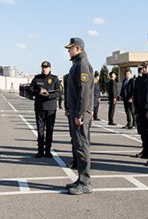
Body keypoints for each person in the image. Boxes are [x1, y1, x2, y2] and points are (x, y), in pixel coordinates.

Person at [64, 37, 94, 195]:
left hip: (80, 113)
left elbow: (84, 93)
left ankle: (85, 182)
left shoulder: (82, 64)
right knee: (78, 145)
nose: (68, 50)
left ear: (79, 48)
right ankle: (81, 178)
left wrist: (80, 113)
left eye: (71, 48)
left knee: (82, 146)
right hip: (75, 111)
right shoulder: (76, 64)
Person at [28, 61, 60, 158]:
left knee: (49, 130)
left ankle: (48, 151)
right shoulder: (37, 78)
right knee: (40, 130)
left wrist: (48, 95)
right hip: (40, 108)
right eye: (43, 67)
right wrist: (38, 92)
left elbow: (58, 92)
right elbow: (30, 90)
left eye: (46, 67)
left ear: (50, 68)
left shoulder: (54, 79)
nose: (44, 69)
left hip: (50, 108)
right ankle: (40, 151)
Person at [133, 62, 148, 159]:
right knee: (142, 130)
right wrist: (136, 108)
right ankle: (145, 149)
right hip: (140, 108)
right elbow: (135, 94)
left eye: (146, 67)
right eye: (143, 67)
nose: (144, 69)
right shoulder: (139, 80)